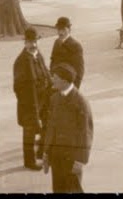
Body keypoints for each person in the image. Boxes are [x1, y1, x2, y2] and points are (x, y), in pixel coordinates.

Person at [41, 63, 92, 193]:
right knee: (58, 189)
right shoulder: (54, 98)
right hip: (56, 156)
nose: (52, 80)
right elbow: (51, 128)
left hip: (71, 159)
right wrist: (46, 153)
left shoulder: (80, 102)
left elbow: (85, 133)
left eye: (55, 77)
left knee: (73, 190)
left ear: (64, 80)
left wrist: (80, 160)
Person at [14, 28, 50, 171]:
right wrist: (31, 105)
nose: (33, 44)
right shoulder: (21, 61)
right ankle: (29, 161)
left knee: (45, 127)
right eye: (30, 42)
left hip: (43, 101)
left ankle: (41, 153)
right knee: (29, 133)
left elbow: (46, 73)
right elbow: (18, 87)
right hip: (29, 104)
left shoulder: (38, 55)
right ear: (25, 42)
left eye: (35, 41)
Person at [50, 17, 85, 89]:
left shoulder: (75, 46)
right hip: (57, 83)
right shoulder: (57, 42)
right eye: (59, 29)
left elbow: (79, 71)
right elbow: (53, 61)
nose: (60, 33)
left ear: (69, 30)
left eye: (63, 30)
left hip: (68, 85)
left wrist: (74, 88)